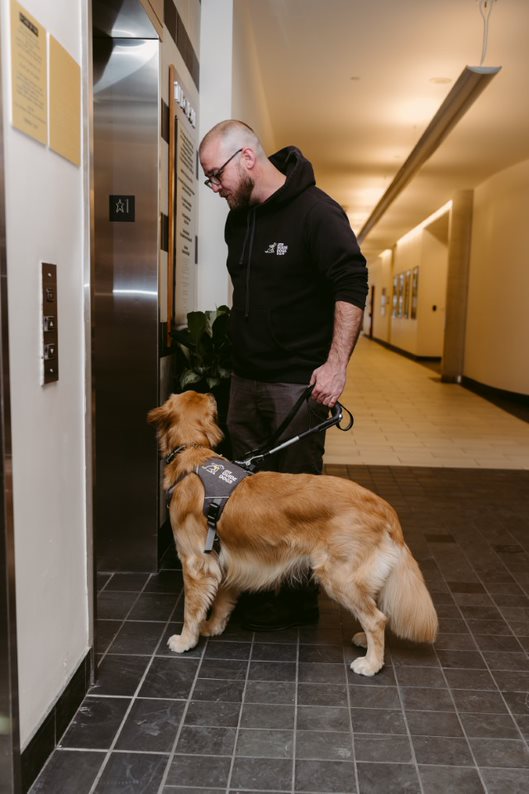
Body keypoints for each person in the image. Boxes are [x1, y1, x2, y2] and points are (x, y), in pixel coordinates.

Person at [199, 120, 368, 631]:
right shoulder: (239, 219)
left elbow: (351, 283)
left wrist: (335, 365)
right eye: (208, 180)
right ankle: (256, 588)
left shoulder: (317, 212)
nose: (215, 187)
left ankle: (295, 605)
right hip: (246, 382)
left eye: (216, 175)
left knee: (295, 498)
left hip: (297, 385)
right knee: (246, 493)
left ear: (247, 158)